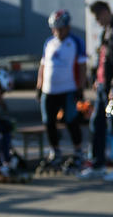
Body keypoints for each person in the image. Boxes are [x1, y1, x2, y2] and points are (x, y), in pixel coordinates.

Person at [36, 9, 87, 168]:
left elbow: (82, 66)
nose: (56, 31)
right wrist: (39, 85)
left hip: (68, 88)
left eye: (59, 28)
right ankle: (55, 152)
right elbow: (43, 65)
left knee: (71, 120)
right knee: (49, 122)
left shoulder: (75, 42)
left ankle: (78, 151)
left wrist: (80, 88)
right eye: (54, 28)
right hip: (49, 90)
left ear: (67, 27)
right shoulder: (49, 43)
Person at [85, 0, 113, 181]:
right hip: (103, 87)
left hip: (111, 89)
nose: (97, 21)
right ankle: (98, 164)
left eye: (97, 17)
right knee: (97, 124)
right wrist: (98, 79)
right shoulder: (106, 31)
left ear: (105, 12)